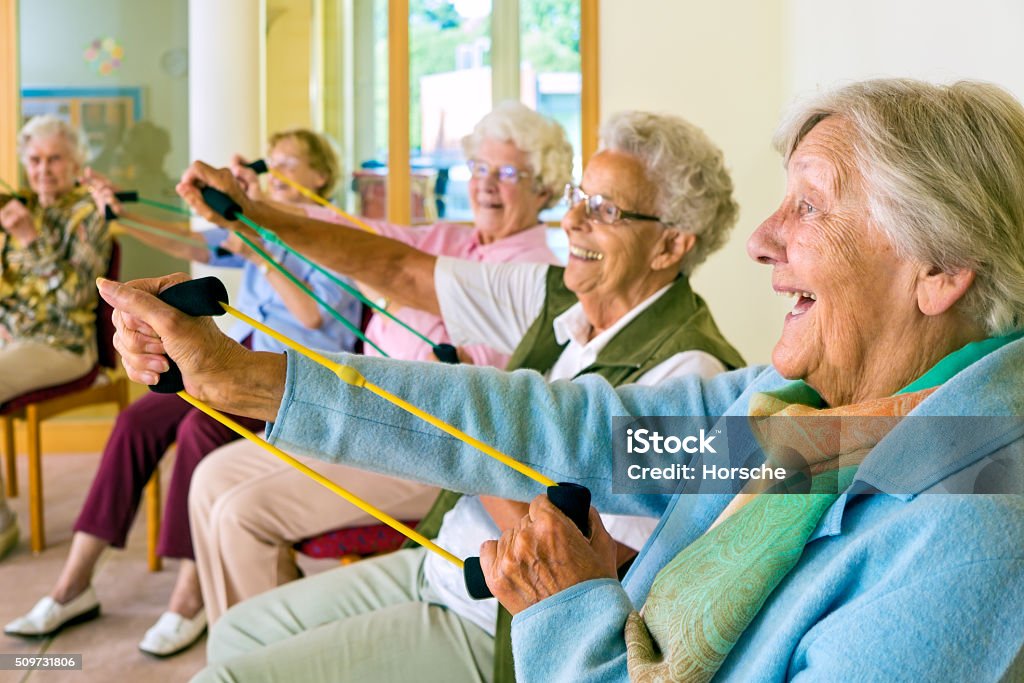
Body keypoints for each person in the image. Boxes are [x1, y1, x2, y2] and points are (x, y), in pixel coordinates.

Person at [107, 79, 1024, 681]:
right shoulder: (800, 428)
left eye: (812, 206)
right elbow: (563, 430)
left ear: (938, 268)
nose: (761, 241)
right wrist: (245, 379)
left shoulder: (969, 527)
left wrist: (573, 610)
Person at [187, 102, 576, 624]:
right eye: (479, 168)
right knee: (209, 479)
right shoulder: (451, 240)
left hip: (426, 447)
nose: (486, 184)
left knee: (239, 514)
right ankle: (245, 647)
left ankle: (263, 656)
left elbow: (480, 382)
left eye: (507, 173)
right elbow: (362, 242)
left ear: (544, 188)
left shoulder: (535, 271)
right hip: (357, 415)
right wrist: (254, 206)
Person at [3, 129, 361, 658]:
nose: (276, 170)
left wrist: (259, 248)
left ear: (320, 176)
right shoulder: (263, 226)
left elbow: (312, 317)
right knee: (136, 422)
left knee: (199, 429)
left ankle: (188, 596)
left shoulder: (336, 235)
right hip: (248, 355)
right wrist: (118, 215)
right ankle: (72, 584)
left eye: (290, 162)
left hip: (299, 379)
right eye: (273, 161)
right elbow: (190, 244)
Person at [0, 115, 110, 560]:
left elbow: (76, 296)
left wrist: (29, 237)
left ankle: (2, 527)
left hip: (64, 345)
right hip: (14, 340)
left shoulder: (87, 213)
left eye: (55, 159)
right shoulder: (21, 204)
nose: (44, 169)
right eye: (35, 159)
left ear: (76, 162)